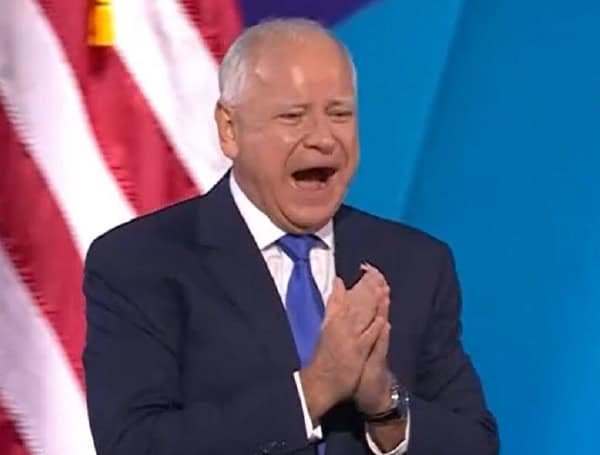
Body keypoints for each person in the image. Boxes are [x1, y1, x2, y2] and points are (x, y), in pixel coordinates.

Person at [83, 18, 498, 455]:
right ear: (229, 129)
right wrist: (314, 390)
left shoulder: (415, 263)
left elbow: (475, 444)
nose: (323, 138)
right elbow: (136, 445)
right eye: (293, 116)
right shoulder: (140, 263)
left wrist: (385, 407)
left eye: (339, 114)